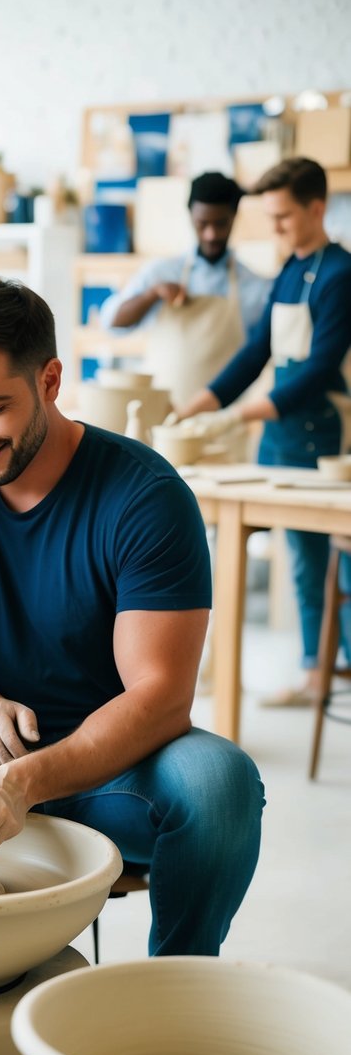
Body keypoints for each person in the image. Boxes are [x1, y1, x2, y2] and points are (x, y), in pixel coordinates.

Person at [0, 276, 265, 957]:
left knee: (220, 783)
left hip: (121, 766)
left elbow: (161, 699)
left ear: (49, 380)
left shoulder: (144, 495)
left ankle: (175, 985)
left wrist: (21, 782)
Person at [179, 158, 351, 707]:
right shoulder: (287, 269)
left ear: (316, 209)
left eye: (282, 217)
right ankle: (315, 669)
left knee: (325, 556)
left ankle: (330, 667)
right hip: (279, 432)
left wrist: (239, 416)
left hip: (318, 429)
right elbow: (257, 353)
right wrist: (200, 404)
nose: (274, 228)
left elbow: (320, 367)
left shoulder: (340, 275)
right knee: (298, 555)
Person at [100, 172, 271, 407]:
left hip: (223, 426)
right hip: (160, 419)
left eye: (220, 224)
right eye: (202, 224)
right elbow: (111, 322)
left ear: (234, 217)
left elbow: (259, 357)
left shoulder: (256, 287)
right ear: (190, 215)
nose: (211, 234)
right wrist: (152, 295)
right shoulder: (161, 272)